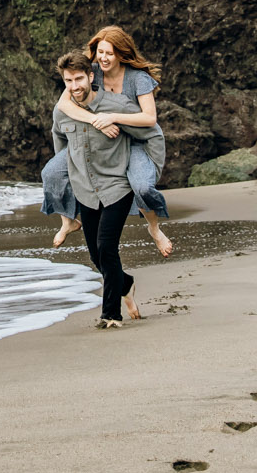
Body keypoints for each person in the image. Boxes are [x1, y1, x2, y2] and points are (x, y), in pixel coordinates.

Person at [55, 26, 171, 256]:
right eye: (100, 52)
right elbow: (64, 104)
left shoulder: (138, 78)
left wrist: (112, 118)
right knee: (52, 173)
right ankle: (67, 220)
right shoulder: (91, 72)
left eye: (109, 53)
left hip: (134, 140)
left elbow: (150, 118)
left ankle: (154, 228)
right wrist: (96, 120)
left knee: (143, 186)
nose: (103, 58)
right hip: (103, 140)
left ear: (120, 53)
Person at [53, 61, 151, 327]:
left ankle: (110, 315)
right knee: (96, 256)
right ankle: (126, 283)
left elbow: (148, 130)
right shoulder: (62, 113)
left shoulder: (117, 106)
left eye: (79, 79)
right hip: (85, 189)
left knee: (107, 248)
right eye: (69, 81)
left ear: (91, 76)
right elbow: (59, 146)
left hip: (117, 186)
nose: (75, 86)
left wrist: (144, 175)